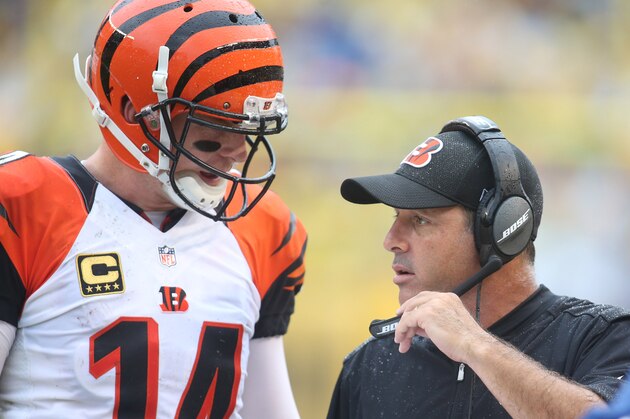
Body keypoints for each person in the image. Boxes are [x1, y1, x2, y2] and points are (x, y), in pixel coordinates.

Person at [0, 1, 307, 417]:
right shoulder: (23, 205)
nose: (236, 154)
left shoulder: (262, 228)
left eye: (247, 131)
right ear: (134, 113)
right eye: (215, 129)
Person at [326, 115, 630, 418]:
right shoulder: (369, 365)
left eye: (421, 219)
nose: (391, 241)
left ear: (500, 231)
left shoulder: (606, 337)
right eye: (396, 218)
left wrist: (474, 345)